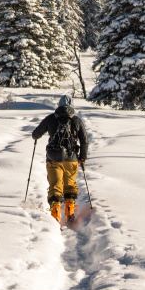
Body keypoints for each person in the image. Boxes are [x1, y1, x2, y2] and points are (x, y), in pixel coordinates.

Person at [31, 94, 89, 224]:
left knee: (55, 186)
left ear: (58, 105)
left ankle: (55, 216)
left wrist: (36, 137)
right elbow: (84, 140)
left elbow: (36, 134)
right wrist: (82, 157)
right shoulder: (76, 120)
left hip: (53, 158)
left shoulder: (51, 118)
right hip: (71, 159)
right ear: (72, 106)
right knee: (70, 185)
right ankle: (70, 212)